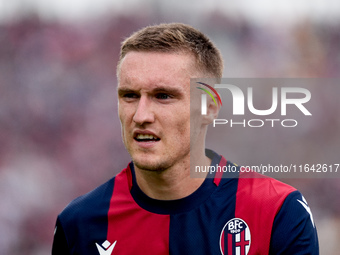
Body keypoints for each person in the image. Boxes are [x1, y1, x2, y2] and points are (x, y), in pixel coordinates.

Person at [52, 23, 319, 255]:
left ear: (209, 108)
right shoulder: (80, 223)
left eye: (163, 96)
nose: (141, 115)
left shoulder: (277, 212)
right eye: (130, 95)